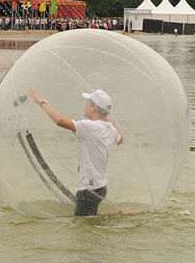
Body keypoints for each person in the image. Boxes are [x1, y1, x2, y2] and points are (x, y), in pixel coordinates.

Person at [28, 87, 131, 216]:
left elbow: (60, 121)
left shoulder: (90, 127)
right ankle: (119, 214)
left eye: (87, 102)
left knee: (83, 225)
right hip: (100, 187)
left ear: (94, 108)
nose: (85, 105)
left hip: (89, 189)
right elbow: (121, 139)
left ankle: (122, 215)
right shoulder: (110, 129)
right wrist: (109, 120)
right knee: (90, 219)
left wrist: (41, 102)